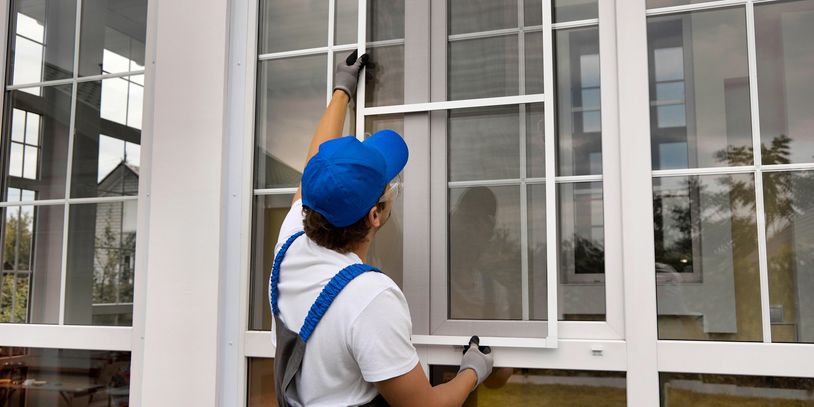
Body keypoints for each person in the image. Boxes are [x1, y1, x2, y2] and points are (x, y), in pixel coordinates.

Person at [269, 51, 494, 407]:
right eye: (391, 185)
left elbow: (315, 160)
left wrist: (342, 90)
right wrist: (472, 372)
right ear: (375, 215)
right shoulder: (369, 297)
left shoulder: (292, 241)